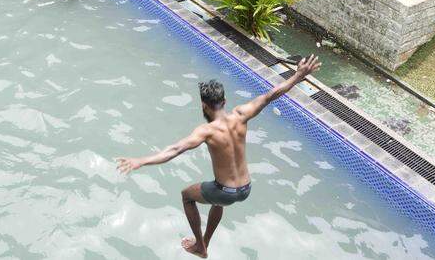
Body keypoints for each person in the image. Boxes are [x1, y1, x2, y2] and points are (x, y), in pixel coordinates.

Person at [117, 56, 322, 259]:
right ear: (224, 101)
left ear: (204, 106)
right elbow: (271, 95)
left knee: (187, 195)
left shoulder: (207, 131)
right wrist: (299, 75)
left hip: (225, 192)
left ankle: (200, 245)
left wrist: (141, 161)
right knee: (217, 197)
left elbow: (175, 149)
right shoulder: (242, 114)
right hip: (246, 188)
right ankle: (205, 244)